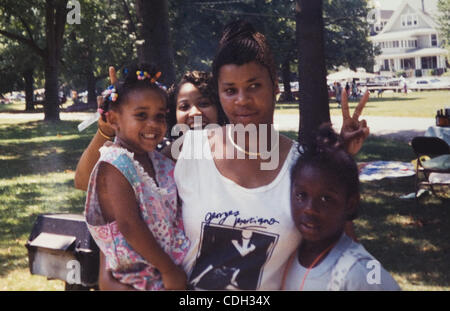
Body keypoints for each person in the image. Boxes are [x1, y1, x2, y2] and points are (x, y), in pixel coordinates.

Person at [75, 20, 370, 290]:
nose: (242, 100)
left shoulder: (303, 166)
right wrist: (108, 130)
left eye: (254, 86)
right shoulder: (186, 150)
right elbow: (103, 184)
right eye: (230, 90)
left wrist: (336, 169)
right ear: (219, 91)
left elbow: (340, 248)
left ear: (276, 85)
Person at [83, 63, 190, 290]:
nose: (153, 124)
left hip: (164, 271)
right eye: (141, 115)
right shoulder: (115, 164)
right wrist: (168, 269)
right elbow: (129, 225)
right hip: (139, 279)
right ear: (113, 121)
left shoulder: (158, 160)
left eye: (160, 116)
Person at [282, 125, 400, 291]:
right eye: (301, 195)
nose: (310, 208)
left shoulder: (360, 271)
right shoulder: (288, 250)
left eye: (326, 198)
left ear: (350, 204)